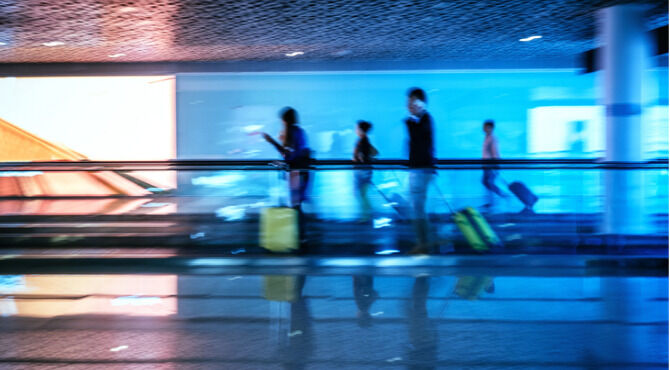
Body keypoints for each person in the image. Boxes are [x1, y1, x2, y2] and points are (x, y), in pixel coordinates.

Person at [405, 88, 436, 254]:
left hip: (421, 170)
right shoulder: (420, 120)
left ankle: (423, 244)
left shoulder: (424, 120)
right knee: (418, 208)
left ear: (421, 103)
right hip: (418, 169)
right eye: (408, 102)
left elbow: (419, 141)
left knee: (417, 208)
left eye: (412, 102)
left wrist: (411, 120)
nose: (409, 105)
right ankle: (425, 243)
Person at [261, 107, 311, 210]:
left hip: (293, 172)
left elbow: (287, 154)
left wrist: (271, 141)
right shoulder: (299, 131)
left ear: (284, 120)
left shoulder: (290, 132)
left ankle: (296, 223)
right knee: (297, 204)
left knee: (293, 204)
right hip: (301, 171)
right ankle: (299, 222)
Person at [352, 120, 378, 222]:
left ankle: (366, 215)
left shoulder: (362, 142)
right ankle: (367, 214)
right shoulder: (365, 140)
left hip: (362, 172)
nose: (355, 130)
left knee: (361, 194)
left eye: (356, 128)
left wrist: (358, 159)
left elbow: (361, 157)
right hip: (366, 171)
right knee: (362, 194)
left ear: (361, 130)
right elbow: (375, 153)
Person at [481, 119, 506, 209]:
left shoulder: (492, 138)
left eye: (485, 127)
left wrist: (496, 164)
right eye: (483, 127)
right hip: (486, 164)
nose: (483, 128)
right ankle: (495, 199)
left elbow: (495, 152)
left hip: (490, 165)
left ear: (490, 128)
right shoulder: (487, 137)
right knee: (486, 182)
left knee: (488, 182)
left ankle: (499, 197)